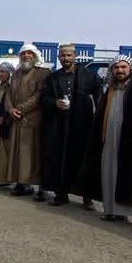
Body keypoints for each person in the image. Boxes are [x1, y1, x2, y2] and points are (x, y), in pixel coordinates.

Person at [78, 56, 132, 232]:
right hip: (110, 139)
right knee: (110, 173)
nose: (120, 70)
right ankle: (115, 211)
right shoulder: (110, 89)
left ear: (130, 68)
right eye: (116, 68)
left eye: (123, 67)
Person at [38, 44, 99, 208]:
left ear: (75, 56)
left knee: (83, 161)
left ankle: (87, 198)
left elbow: (98, 98)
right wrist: (55, 103)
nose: (66, 58)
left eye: (69, 55)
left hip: (82, 126)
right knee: (60, 160)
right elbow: (43, 99)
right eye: (63, 56)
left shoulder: (89, 76)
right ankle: (61, 194)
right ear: (59, 58)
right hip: (59, 127)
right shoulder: (52, 78)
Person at [5, 44, 48, 196]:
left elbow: (39, 95)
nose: (26, 56)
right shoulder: (16, 74)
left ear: (35, 55)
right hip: (16, 120)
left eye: (29, 53)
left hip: (32, 121)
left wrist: (21, 109)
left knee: (31, 154)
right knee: (17, 154)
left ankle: (36, 185)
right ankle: (21, 183)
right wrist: (10, 109)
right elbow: (8, 94)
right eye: (23, 53)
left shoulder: (43, 73)